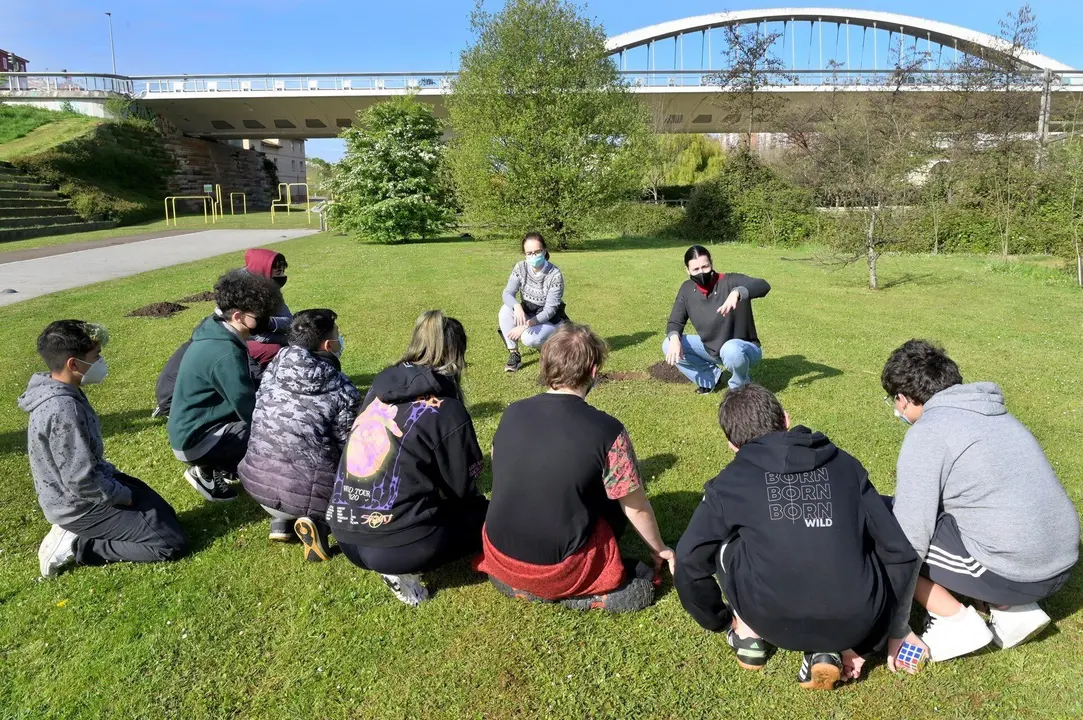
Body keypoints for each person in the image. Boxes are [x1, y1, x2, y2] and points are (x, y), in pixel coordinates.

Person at [674, 384, 919, 689]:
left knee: (727, 543)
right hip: (857, 619)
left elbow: (687, 559)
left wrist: (720, 620)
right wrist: (868, 644)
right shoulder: (845, 465)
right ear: (786, 420)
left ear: (732, 445)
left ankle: (749, 637)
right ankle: (829, 649)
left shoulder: (729, 483)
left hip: (771, 621)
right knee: (865, 537)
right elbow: (900, 553)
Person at [882, 340, 1079, 663]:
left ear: (904, 398)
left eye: (895, 402)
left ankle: (955, 622)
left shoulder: (929, 431)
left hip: (1018, 572)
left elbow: (908, 539)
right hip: (1061, 560)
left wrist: (898, 628)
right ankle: (1013, 611)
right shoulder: (996, 414)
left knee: (884, 528)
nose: (896, 411)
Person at [475, 323, 674, 613]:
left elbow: (499, 462)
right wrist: (660, 549)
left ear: (545, 364)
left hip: (498, 553)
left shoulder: (512, 412)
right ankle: (574, 591)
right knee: (615, 516)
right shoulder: (608, 431)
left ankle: (520, 584)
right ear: (593, 371)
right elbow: (635, 506)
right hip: (559, 567)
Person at [326, 310, 489, 606]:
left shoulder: (377, 390)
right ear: (457, 354)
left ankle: (397, 560)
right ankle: (402, 570)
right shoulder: (448, 409)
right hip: (395, 545)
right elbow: (462, 486)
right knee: (488, 517)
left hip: (346, 533)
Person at [21, 320, 188, 578]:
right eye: (96, 356)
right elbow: (81, 482)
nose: (101, 361)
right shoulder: (62, 408)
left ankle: (92, 529)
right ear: (73, 365)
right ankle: (79, 544)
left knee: (164, 514)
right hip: (77, 504)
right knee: (169, 543)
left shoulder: (65, 389)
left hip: (94, 483)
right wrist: (123, 496)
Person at [238, 309, 361, 560]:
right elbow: (349, 447)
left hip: (256, 484)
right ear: (328, 345)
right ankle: (317, 525)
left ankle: (280, 522)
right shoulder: (341, 388)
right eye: (338, 335)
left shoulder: (273, 369)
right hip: (305, 495)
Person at [167, 269, 283, 502]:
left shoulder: (216, 328)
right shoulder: (225, 352)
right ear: (238, 316)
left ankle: (220, 463)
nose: (263, 321)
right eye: (258, 316)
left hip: (198, 428)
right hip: (194, 441)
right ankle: (207, 469)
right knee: (269, 435)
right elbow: (247, 405)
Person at [663, 245, 770, 394]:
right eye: (696, 269)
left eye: (705, 267)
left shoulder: (731, 280)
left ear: (711, 263)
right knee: (669, 344)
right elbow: (675, 321)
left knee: (731, 349)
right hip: (712, 349)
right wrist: (674, 338)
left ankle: (740, 388)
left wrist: (738, 292)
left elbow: (763, 285)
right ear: (687, 270)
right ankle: (711, 378)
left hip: (744, 349)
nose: (701, 272)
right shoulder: (686, 289)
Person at [498, 232, 569, 373]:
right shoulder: (520, 267)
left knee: (529, 338)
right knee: (505, 310)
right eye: (529, 253)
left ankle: (552, 345)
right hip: (528, 311)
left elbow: (550, 310)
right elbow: (507, 293)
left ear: (544, 251)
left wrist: (524, 326)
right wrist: (517, 306)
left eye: (537, 252)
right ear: (524, 254)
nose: (533, 256)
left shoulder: (555, 274)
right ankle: (514, 353)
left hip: (550, 319)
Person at [243, 248, 292, 367]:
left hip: (263, 334)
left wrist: (270, 323)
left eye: (283, 272)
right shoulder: (242, 294)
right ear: (263, 272)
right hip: (241, 341)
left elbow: (288, 319)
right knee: (273, 350)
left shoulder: (269, 289)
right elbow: (256, 334)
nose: (283, 276)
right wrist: (289, 340)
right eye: (279, 273)